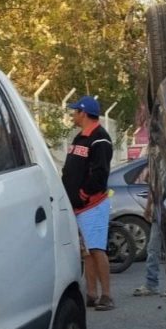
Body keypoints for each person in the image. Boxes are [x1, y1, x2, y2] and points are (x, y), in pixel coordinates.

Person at [61, 95, 115, 311]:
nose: (73, 114)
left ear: (83, 113)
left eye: (75, 111)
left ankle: (107, 295)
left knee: (96, 249)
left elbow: (100, 173)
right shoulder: (79, 138)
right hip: (77, 206)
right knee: (86, 252)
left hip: (92, 205)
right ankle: (91, 293)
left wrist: (83, 194)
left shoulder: (100, 139)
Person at [134, 158, 166, 296]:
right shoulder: (155, 162)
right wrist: (148, 207)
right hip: (159, 212)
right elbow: (153, 188)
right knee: (153, 249)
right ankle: (151, 284)